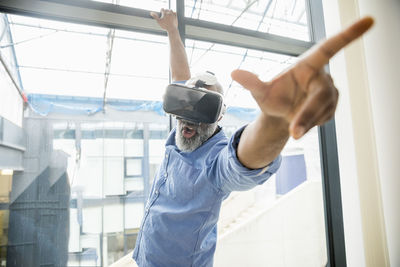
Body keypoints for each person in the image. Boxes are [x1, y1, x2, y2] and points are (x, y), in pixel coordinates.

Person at [130, 8, 374, 267]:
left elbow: (240, 162)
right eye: (188, 101)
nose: (191, 115)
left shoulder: (214, 162)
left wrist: (276, 121)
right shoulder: (180, 131)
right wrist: (172, 31)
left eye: (206, 107)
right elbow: (181, 75)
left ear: (220, 116)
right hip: (143, 257)